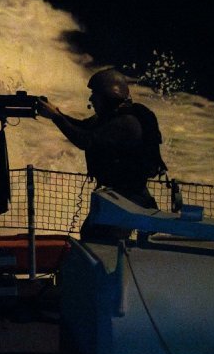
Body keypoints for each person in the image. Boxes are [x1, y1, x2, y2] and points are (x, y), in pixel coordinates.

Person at [38, 68, 167, 241]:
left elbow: (85, 140)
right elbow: (82, 126)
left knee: (104, 239)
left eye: (95, 95)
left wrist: (56, 117)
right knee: (91, 233)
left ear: (108, 96)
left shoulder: (126, 123)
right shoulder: (108, 117)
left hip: (129, 198)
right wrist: (56, 112)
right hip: (116, 196)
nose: (91, 99)